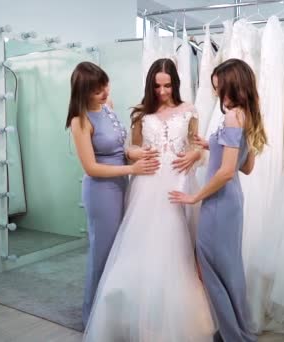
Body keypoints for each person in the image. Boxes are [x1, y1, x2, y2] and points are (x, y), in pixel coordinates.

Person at [83, 58, 214, 341]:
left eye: (167, 86)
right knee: (142, 245)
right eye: (157, 86)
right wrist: (133, 155)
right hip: (147, 182)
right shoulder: (141, 113)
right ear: (150, 85)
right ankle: (135, 312)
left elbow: (198, 147)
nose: (163, 92)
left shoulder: (190, 110)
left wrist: (195, 153)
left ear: (175, 84)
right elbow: (131, 148)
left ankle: (170, 315)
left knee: (176, 245)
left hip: (178, 181)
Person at [169, 58, 267, 342]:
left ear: (232, 86)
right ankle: (237, 332)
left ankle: (233, 336)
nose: (216, 94)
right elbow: (245, 166)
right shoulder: (248, 114)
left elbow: (225, 172)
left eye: (219, 88)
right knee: (230, 271)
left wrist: (194, 197)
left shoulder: (232, 116)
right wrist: (212, 143)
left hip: (219, 203)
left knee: (213, 272)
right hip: (232, 203)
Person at [65, 61, 159, 328]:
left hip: (121, 183)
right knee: (103, 252)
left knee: (122, 249)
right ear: (83, 93)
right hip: (101, 191)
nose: (105, 93)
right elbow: (91, 167)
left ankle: (114, 312)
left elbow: (120, 147)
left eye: (105, 85)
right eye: (97, 91)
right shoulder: (79, 121)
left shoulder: (109, 108)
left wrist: (134, 153)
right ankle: (93, 317)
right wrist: (132, 167)